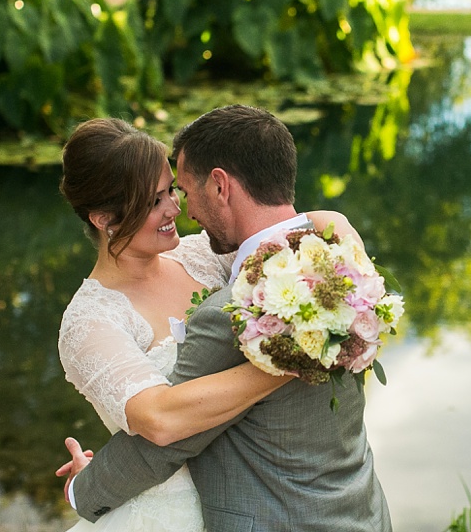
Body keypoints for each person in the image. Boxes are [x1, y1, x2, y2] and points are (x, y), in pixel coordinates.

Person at [56, 117, 368, 531]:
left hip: (263, 495)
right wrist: (303, 354)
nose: (175, 208)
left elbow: (294, 224)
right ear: (103, 219)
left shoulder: (205, 254)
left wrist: (341, 229)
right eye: (153, 202)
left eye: (171, 190)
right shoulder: (90, 320)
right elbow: (159, 419)